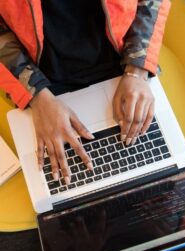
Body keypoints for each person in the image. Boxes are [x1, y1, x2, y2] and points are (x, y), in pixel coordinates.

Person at [0, 0, 171, 185]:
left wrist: (137, 69)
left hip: (125, 65)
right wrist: (37, 96)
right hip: (42, 85)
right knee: (66, 193)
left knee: (159, 183)